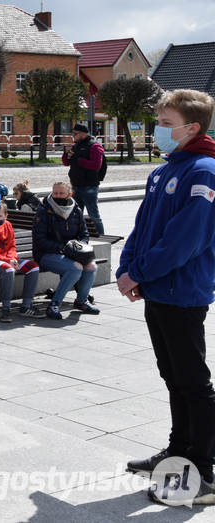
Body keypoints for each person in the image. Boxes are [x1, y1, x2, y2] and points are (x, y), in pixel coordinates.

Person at [116, 89, 215, 506]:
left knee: (193, 381)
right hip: (158, 290)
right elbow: (143, 228)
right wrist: (126, 268)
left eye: (166, 123)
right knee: (172, 376)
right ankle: (178, 450)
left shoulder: (204, 170)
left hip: (184, 291)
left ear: (192, 127)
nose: (158, 130)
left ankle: (204, 471)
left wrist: (138, 272)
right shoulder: (164, 170)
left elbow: (184, 241)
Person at [32, 181, 99, 320]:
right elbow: (40, 239)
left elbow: (84, 234)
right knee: (75, 268)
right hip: (46, 253)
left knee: (91, 266)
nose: (57, 196)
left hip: (72, 252)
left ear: (70, 194)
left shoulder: (76, 209)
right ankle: (54, 305)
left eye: (61, 193)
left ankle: (81, 301)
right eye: (55, 193)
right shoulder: (44, 210)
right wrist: (63, 249)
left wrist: (79, 247)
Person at [0, 203, 42, 320]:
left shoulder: (8, 225)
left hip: (8, 259)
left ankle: (26, 306)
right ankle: (6, 309)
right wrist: (8, 260)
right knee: (8, 269)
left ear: (6, 216)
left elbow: (12, 246)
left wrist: (12, 258)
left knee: (33, 267)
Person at [62, 123, 106, 233]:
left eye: (75, 134)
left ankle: (101, 237)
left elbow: (96, 165)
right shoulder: (75, 146)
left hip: (89, 186)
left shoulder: (95, 146)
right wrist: (66, 155)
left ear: (83, 134)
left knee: (93, 215)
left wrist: (78, 159)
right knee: (75, 215)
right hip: (75, 185)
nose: (73, 136)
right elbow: (66, 163)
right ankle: (78, 235)